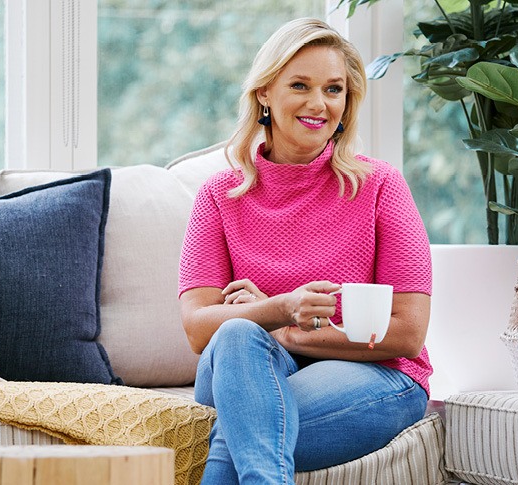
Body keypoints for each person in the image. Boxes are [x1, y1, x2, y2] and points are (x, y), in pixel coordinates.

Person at [178, 17, 432, 484]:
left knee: (243, 425)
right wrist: (281, 308)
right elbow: (198, 329)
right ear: (264, 93)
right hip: (251, 367)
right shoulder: (220, 194)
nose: (319, 104)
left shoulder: (380, 185)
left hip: (375, 375)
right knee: (235, 336)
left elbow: (407, 334)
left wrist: (285, 331)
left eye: (334, 90)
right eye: (300, 85)